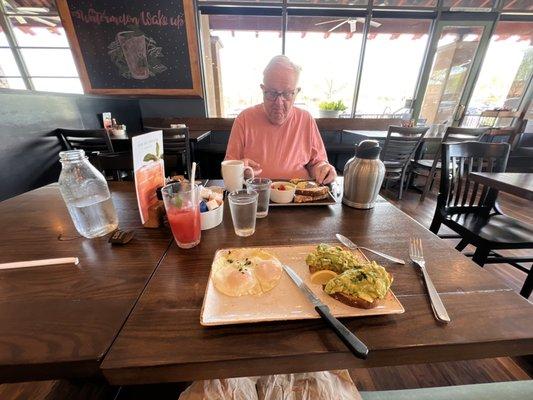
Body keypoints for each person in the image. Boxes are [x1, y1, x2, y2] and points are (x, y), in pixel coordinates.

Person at [224, 55, 337, 184]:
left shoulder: (306, 119)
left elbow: (316, 164)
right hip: (256, 197)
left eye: (287, 93)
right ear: (263, 90)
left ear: (296, 92)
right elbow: (227, 169)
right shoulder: (244, 119)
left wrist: (323, 169)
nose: (279, 102)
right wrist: (239, 170)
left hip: (299, 196)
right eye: (272, 93)